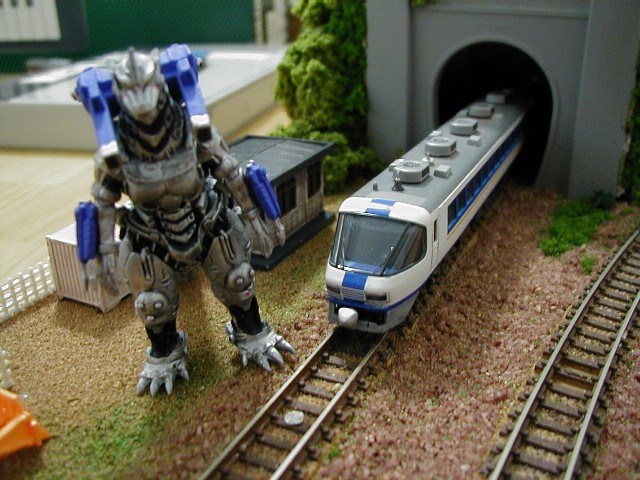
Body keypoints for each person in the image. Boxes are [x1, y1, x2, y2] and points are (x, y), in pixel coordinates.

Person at [74, 45, 294, 396]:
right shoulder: (115, 152)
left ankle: (252, 332)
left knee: (238, 278)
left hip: (206, 220)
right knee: (152, 303)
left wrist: (255, 217)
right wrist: (103, 254)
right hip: (152, 236)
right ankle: (165, 352)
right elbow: (103, 202)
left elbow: (231, 173)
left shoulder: (193, 130)